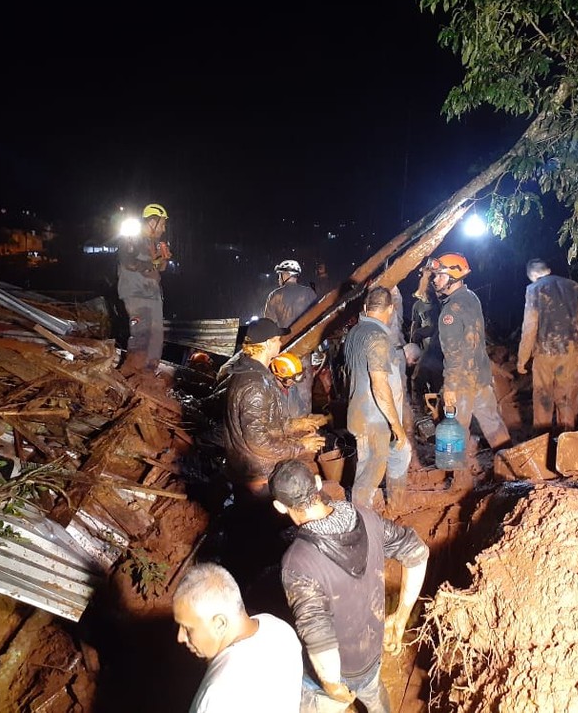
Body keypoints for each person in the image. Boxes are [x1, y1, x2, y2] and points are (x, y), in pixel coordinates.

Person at [269, 460, 429, 713]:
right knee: (375, 697)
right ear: (318, 484)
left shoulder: (298, 561)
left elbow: (317, 633)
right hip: (371, 655)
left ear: (279, 506)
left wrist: (331, 685)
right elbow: (417, 551)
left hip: (336, 672)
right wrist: (400, 617)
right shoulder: (364, 517)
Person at [174, 562, 303, 713]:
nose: (180, 637)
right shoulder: (281, 629)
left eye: (188, 629)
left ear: (220, 624)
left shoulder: (217, 695)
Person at [429, 253, 511, 488]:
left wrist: (450, 388)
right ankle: (512, 468)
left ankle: (460, 482)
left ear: (453, 276)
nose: (435, 280)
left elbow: (454, 354)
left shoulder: (449, 313)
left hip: (462, 382)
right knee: (493, 424)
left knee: (457, 430)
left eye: (440, 275)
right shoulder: (471, 297)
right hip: (481, 377)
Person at [222, 317, 325, 499]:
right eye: (277, 340)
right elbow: (257, 441)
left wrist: (294, 424)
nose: (280, 343)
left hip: (255, 468)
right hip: (258, 474)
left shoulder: (255, 374)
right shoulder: (253, 385)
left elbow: (266, 423)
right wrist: (300, 446)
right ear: (269, 343)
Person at [343, 287, 411, 510]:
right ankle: (362, 522)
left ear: (365, 308)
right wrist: (396, 426)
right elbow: (379, 385)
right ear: (390, 309)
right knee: (370, 474)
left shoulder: (354, 333)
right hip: (376, 419)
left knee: (399, 454)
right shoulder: (377, 337)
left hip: (361, 412)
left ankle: (396, 506)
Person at [517, 258, 578, 433]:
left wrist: (522, 358)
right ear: (548, 270)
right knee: (565, 397)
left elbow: (530, 327)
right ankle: (566, 439)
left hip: (544, 353)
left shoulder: (533, 290)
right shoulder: (573, 287)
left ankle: (542, 441)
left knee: (543, 395)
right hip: (569, 351)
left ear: (532, 275)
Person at [116, 203, 171, 374]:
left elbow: (160, 268)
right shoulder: (132, 237)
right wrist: (150, 264)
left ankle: (147, 375)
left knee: (155, 338)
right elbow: (129, 262)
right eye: (161, 224)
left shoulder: (154, 244)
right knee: (141, 335)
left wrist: (163, 259)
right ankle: (131, 373)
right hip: (137, 294)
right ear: (151, 222)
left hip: (152, 296)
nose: (163, 228)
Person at [264, 259, 318, 416]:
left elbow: (269, 327)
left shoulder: (274, 296)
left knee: (282, 392)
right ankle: (305, 427)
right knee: (304, 394)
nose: (279, 278)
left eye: (280, 275)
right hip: (304, 353)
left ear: (285, 275)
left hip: (283, 354)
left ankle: (286, 428)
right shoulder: (309, 294)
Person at [408, 266, 444, 404]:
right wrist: (413, 341)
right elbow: (414, 325)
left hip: (438, 350)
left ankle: (436, 409)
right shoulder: (417, 306)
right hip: (424, 350)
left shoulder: (439, 304)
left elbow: (438, 327)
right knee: (418, 379)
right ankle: (420, 407)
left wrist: (421, 332)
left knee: (436, 380)